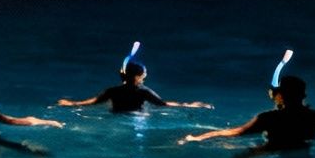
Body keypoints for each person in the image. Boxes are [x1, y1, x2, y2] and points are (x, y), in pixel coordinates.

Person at [180, 50, 315, 150]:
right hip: (302, 157)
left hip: (272, 153)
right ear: (304, 96)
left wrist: (197, 138)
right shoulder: (314, 117)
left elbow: (232, 132)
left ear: (279, 96)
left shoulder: (269, 118)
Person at [55, 43, 213, 114]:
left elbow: (92, 103)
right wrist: (190, 105)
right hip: (136, 119)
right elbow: (164, 105)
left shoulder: (113, 91)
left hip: (115, 117)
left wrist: (71, 104)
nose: (146, 76)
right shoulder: (143, 92)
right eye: (144, 74)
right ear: (138, 76)